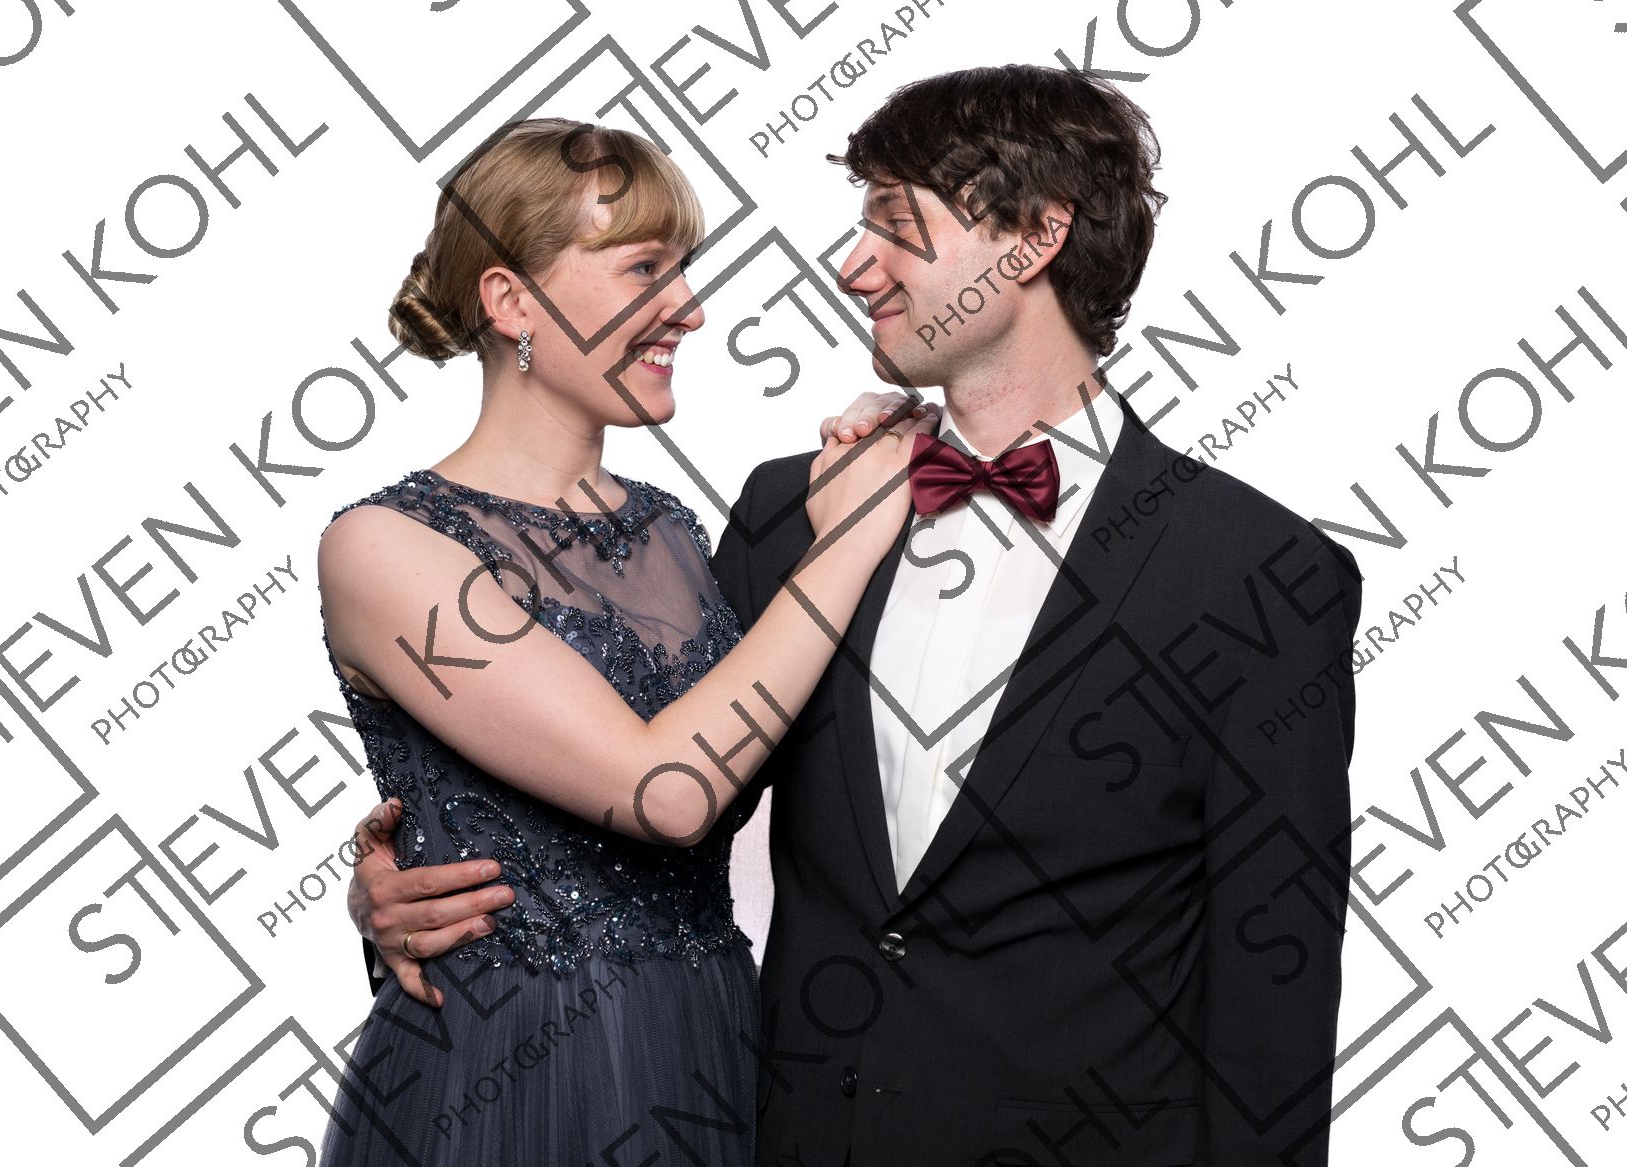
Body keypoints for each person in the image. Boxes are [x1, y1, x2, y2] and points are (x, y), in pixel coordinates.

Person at [349, 66, 1365, 1167]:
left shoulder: (1260, 573)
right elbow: (658, 789)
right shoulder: (787, 515)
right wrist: (405, 886)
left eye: (894, 223)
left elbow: (1274, 993)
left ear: (1033, 238)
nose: (850, 266)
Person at [314, 117, 937, 1166]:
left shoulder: (674, 532)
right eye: (645, 268)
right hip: (506, 1071)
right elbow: (666, 792)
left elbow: (747, 765)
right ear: (511, 300)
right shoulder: (382, 545)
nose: (688, 307)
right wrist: (851, 535)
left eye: (684, 268)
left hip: (711, 1046)